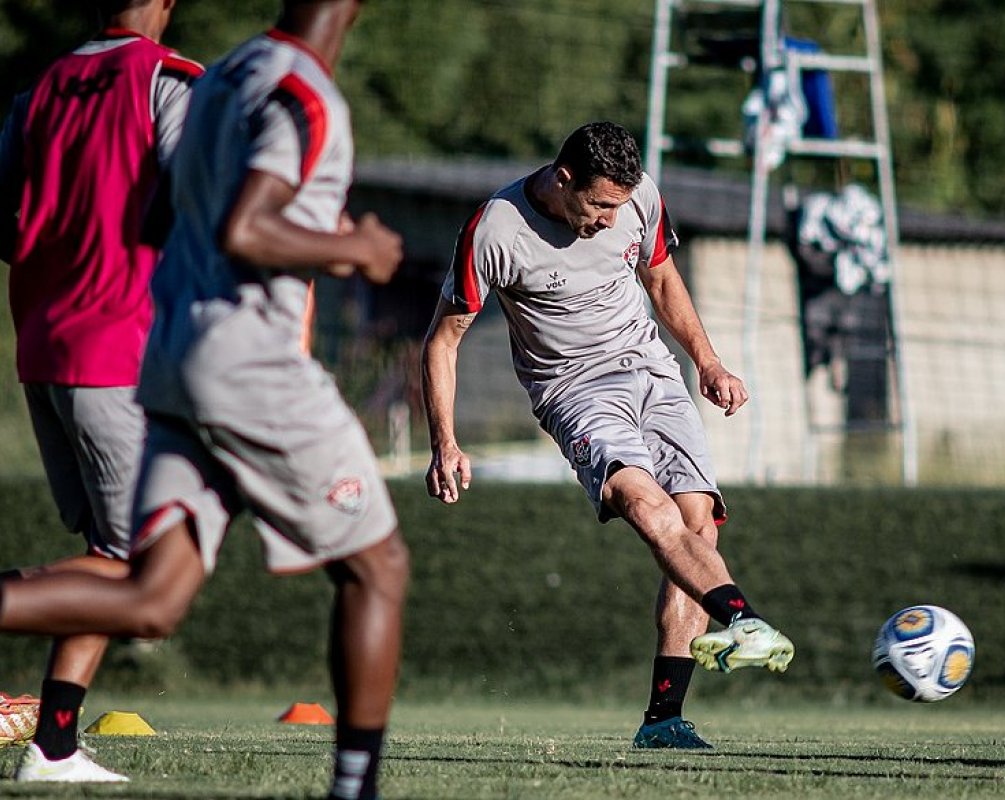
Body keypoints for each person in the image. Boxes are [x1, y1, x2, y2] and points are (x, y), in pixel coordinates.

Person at [0, 2, 409, 799]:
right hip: (222, 358)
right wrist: (355, 248)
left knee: (149, 596)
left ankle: (53, 742)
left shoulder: (213, 75)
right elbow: (245, 230)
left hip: (136, 354)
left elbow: (135, 214)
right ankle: (354, 788)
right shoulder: (280, 89)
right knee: (379, 566)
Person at [421, 121, 795, 750]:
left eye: (619, 207)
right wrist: (445, 440)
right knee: (646, 507)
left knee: (696, 523)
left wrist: (707, 361)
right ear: (563, 179)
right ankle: (742, 618)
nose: (607, 220)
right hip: (575, 389)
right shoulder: (495, 229)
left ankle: (664, 720)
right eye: (597, 205)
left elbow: (662, 280)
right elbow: (444, 339)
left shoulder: (638, 196)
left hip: (652, 369)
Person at [0, 0, 201, 781]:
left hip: (42, 346)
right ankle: (50, 743)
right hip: (115, 349)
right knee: (140, 566)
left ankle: (52, 745)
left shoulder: (41, 87)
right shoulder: (168, 79)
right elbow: (201, 205)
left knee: (109, 557)